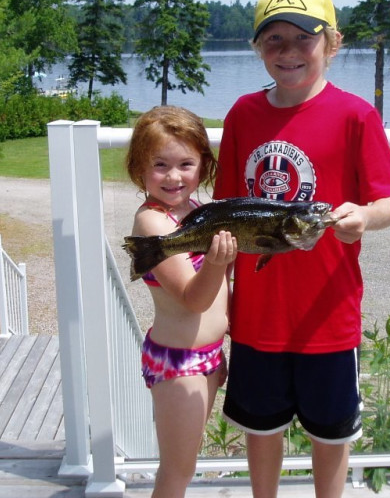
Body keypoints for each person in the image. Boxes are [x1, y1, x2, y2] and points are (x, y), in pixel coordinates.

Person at [213, 0, 390, 497]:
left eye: (305, 37)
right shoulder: (242, 115)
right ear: (257, 49)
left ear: (333, 43)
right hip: (257, 317)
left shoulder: (355, 115)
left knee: (331, 434)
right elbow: (224, 213)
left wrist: (365, 216)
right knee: (261, 429)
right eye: (273, 39)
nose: (289, 51)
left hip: (329, 316)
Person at [126, 105, 238, 498]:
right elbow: (194, 298)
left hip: (207, 355)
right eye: (160, 165)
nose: (174, 177)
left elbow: (222, 290)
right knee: (178, 470)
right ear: (139, 168)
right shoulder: (153, 223)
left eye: (186, 164)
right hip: (178, 364)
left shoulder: (196, 211)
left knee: (186, 464)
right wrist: (216, 261)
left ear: (203, 166)